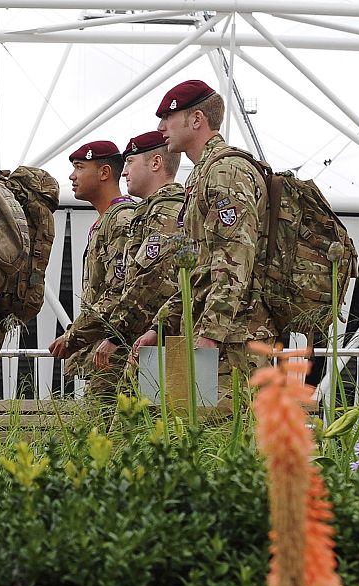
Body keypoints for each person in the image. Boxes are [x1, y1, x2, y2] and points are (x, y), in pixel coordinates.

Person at [133, 79, 274, 393]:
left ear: (196, 119)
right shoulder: (202, 174)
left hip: (231, 337)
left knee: (226, 434)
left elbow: (234, 259)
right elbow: (199, 268)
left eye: (168, 117)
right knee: (185, 432)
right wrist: (161, 324)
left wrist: (210, 332)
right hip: (202, 331)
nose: (160, 127)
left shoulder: (227, 172)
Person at [88, 131, 187, 373]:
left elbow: (151, 282)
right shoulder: (151, 212)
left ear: (156, 163)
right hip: (152, 338)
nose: (123, 172)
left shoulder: (167, 211)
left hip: (162, 342)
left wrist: (115, 335)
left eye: (130, 162)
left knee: (148, 410)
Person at [48, 140, 137, 403]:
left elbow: (118, 291)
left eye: (79, 167)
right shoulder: (107, 220)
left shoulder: (122, 219)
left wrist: (73, 336)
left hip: (116, 351)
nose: (71, 176)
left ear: (104, 172)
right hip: (105, 351)